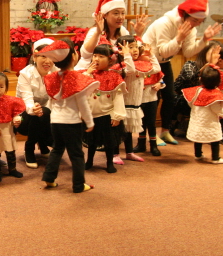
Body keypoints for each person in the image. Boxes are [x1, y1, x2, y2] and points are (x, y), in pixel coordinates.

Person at [142, 0, 223, 145]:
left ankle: (165, 131)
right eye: (194, 20)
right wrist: (178, 39)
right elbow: (163, 51)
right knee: (153, 99)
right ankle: (151, 134)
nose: (196, 24)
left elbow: (188, 52)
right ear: (184, 15)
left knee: (170, 97)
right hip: (149, 63)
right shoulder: (164, 23)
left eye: (200, 22)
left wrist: (204, 40)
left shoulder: (190, 28)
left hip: (164, 63)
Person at [38, 39, 99, 193]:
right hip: (71, 122)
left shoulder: (53, 77)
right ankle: (79, 185)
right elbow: (83, 104)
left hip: (55, 121)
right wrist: (89, 122)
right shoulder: (76, 78)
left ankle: (49, 177)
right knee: (76, 154)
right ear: (73, 56)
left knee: (57, 149)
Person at [114, 36, 160, 164]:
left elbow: (157, 69)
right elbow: (130, 70)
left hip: (134, 104)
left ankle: (129, 153)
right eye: (130, 47)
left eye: (135, 47)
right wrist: (126, 55)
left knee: (128, 130)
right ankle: (115, 154)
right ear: (120, 50)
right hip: (122, 104)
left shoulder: (140, 65)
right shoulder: (120, 67)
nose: (135, 50)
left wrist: (151, 55)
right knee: (118, 131)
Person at [82, 44, 126, 173]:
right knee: (92, 141)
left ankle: (109, 163)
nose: (96, 59)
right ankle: (89, 161)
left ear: (110, 60)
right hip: (91, 115)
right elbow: (80, 90)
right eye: (95, 56)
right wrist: (88, 74)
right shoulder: (87, 74)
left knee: (109, 142)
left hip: (107, 115)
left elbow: (118, 97)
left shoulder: (114, 77)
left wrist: (117, 115)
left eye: (101, 56)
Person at [76, 0, 148, 70]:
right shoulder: (95, 30)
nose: (120, 17)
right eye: (116, 13)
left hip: (114, 71)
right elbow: (85, 55)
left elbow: (132, 52)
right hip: (89, 70)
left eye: (123, 13)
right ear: (105, 15)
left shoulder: (122, 30)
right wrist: (98, 33)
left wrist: (139, 34)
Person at [15, 38, 55, 169]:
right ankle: (29, 148)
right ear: (35, 57)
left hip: (45, 115)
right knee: (38, 114)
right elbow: (27, 100)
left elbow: (54, 99)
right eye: (43, 56)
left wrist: (43, 111)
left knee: (46, 112)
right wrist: (34, 109)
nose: (47, 61)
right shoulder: (25, 74)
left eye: (50, 56)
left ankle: (42, 144)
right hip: (23, 117)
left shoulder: (55, 73)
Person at [173, 41, 221, 137]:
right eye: (212, 52)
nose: (215, 55)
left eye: (218, 53)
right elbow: (190, 81)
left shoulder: (216, 70)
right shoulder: (190, 64)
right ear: (204, 52)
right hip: (182, 100)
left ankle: (215, 131)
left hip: (202, 100)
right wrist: (207, 68)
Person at [183, 64, 223, 164]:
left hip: (197, 120)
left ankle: (198, 154)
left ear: (201, 79)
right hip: (210, 123)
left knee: (198, 139)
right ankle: (215, 158)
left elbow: (190, 102)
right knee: (215, 140)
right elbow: (216, 108)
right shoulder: (215, 95)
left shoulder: (197, 90)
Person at [134, 69, 164, 156]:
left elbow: (162, 81)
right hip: (139, 100)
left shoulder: (154, 69)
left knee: (151, 123)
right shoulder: (136, 69)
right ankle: (141, 144)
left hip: (152, 99)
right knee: (141, 123)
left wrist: (159, 84)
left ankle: (153, 145)